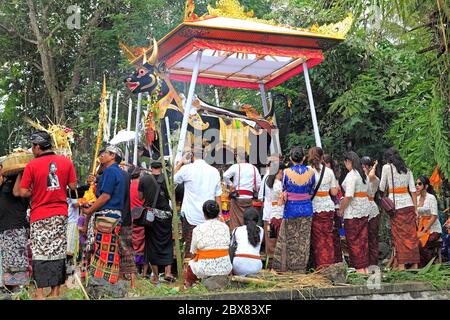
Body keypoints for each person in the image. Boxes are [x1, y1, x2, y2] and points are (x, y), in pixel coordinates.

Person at [19, 131, 77, 299]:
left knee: (40, 252)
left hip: (40, 215)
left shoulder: (32, 165)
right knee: (58, 251)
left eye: (32, 147)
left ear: (37, 147)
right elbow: (72, 185)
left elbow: (23, 192)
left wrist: (36, 190)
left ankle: (39, 293)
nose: (32, 150)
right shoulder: (65, 162)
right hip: (60, 214)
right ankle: (56, 291)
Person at [81, 145, 125, 285]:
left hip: (107, 215)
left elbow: (105, 196)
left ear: (112, 156)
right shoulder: (118, 172)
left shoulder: (110, 172)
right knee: (108, 249)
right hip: (114, 215)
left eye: (104, 153)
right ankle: (107, 280)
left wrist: (89, 210)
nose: (101, 156)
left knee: (103, 250)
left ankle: (103, 281)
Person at [174, 146, 222, 260]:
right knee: (207, 245)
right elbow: (218, 196)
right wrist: (218, 215)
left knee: (190, 246)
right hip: (209, 216)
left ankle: (190, 272)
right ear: (205, 155)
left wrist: (181, 162)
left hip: (191, 215)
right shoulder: (214, 171)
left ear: (192, 156)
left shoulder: (187, 169)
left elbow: (172, 179)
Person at [273, 146, 315, 273]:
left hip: (291, 208)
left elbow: (284, 188)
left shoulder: (286, 172)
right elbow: (312, 190)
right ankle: (301, 268)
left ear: (291, 158)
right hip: (307, 208)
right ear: (304, 158)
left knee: (290, 238)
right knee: (303, 239)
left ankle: (289, 268)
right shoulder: (311, 172)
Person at [379, 148, 419, 270]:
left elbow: (381, 186)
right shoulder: (408, 170)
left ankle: (402, 266)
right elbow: (413, 190)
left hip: (395, 207)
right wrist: (415, 209)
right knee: (411, 236)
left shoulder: (387, 168)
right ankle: (414, 265)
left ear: (388, 158)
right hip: (408, 205)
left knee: (399, 237)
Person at [139, 159, 174, 284]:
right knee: (167, 242)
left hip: (151, 216)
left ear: (150, 167)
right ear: (161, 168)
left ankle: (155, 275)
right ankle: (168, 272)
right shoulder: (167, 179)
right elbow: (171, 196)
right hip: (166, 216)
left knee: (151, 244)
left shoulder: (144, 179)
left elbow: (140, 197)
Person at [185, 200, 232, 287]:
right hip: (225, 267)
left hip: (205, 269)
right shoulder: (225, 227)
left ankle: (188, 286)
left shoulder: (197, 229)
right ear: (218, 213)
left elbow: (193, 251)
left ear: (204, 213)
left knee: (191, 264)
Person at [339, 151, 370, 274]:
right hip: (364, 209)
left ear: (348, 161)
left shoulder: (352, 175)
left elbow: (349, 196)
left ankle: (359, 268)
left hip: (353, 212)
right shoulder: (363, 175)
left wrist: (341, 209)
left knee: (353, 240)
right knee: (363, 240)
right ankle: (365, 267)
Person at [309, 147, 339, 270]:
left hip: (314, 207)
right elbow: (334, 192)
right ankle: (329, 265)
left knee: (317, 239)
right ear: (322, 157)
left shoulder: (307, 171)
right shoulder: (329, 172)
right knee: (328, 237)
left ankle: (321, 267)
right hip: (327, 206)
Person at [0, 173, 30, 293]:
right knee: (6, 267)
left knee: (16, 270)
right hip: (4, 229)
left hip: (14, 229)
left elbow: (17, 192)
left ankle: (17, 291)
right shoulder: (5, 184)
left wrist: (20, 173)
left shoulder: (19, 182)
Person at [223, 148, 262, 231]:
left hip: (238, 198)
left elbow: (225, 175)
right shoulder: (254, 168)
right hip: (249, 198)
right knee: (248, 218)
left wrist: (231, 185)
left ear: (237, 157)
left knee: (235, 221)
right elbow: (258, 184)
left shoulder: (236, 166)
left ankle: (236, 238)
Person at [117, 151, 137, 289]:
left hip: (118, 217)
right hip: (125, 216)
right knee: (127, 248)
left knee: (123, 249)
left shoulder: (118, 174)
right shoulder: (125, 175)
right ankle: (130, 281)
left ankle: (130, 281)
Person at [258, 155, 282, 261]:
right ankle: (273, 260)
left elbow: (260, 196)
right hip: (275, 213)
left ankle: (270, 259)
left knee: (270, 237)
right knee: (274, 237)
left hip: (268, 214)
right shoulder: (275, 180)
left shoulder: (267, 177)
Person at [416, 175, 442, 268]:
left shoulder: (431, 198)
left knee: (420, 244)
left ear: (426, 186)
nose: (417, 185)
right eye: (416, 184)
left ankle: (430, 262)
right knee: (411, 241)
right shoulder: (417, 198)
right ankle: (419, 264)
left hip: (433, 229)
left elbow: (434, 216)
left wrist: (424, 231)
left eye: (419, 184)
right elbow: (416, 215)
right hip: (421, 226)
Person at [231, 208, 264, 276]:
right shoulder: (261, 230)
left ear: (244, 219)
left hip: (238, 267)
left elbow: (231, 249)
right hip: (256, 267)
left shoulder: (236, 230)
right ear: (257, 220)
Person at [361, 156, 380, 267]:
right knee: (363, 238)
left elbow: (371, 176)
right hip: (362, 209)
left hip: (372, 210)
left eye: (363, 167)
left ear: (368, 167)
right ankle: (365, 263)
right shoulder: (361, 178)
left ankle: (373, 263)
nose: (362, 169)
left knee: (372, 238)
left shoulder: (374, 179)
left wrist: (375, 166)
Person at [323, 155, 343, 263]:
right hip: (329, 205)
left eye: (327, 162)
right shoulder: (326, 174)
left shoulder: (332, 175)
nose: (325, 165)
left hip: (333, 205)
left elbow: (335, 192)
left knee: (334, 234)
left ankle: (337, 259)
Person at [129, 167, 145, 274]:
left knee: (133, 243)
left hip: (131, 217)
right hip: (142, 217)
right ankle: (142, 269)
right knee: (142, 243)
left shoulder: (128, 186)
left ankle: (133, 267)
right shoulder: (142, 187)